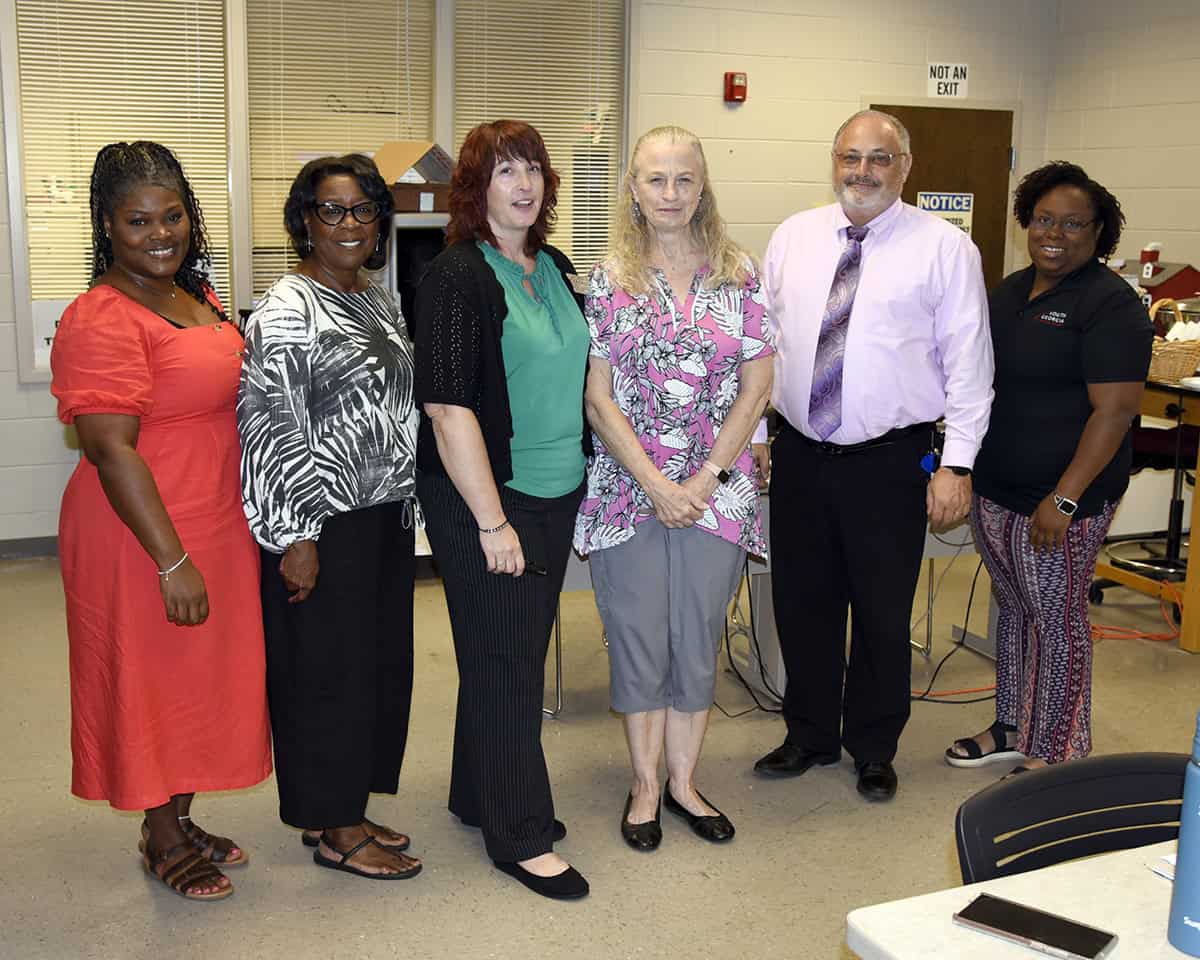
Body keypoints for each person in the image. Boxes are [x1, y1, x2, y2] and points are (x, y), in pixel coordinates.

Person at [50, 141, 272, 901]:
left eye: (172, 214)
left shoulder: (194, 296)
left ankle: (178, 811)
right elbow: (111, 451)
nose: (159, 232)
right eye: (138, 220)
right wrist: (170, 562)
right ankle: (161, 831)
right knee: (152, 676)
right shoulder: (98, 318)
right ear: (107, 226)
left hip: (213, 514)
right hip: (141, 529)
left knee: (202, 677)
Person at [752, 110, 993, 801]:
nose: (862, 171)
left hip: (890, 462)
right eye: (850, 157)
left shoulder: (945, 250)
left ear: (905, 167)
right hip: (800, 454)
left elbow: (970, 369)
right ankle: (810, 735)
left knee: (883, 614)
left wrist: (958, 465)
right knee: (802, 604)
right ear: (833, 161)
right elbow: (764, 349)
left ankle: (874, 745)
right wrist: (761, 437)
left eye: (879, 158)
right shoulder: (794, 236)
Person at [573, 126, 773, 851]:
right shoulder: (609, 277)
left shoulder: (738, 271)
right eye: (655, 180)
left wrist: (706, 478)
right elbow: (599, 396)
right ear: (633, 188)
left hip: (718, 493)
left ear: (702, 186)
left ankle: (685, 783)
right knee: (638, 639)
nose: (670, 194)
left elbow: (758, 385)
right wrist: (657, 482)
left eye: (684, 180)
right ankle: (645, 786)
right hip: (630, 490)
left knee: (696, 639)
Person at [413, 120, 590, 900]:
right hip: (486, 498)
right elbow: (449, 411)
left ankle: (473, 792)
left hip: (555, 488)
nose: (523, 184)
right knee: (507, 664)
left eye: (533, 170)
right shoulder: (454, 276)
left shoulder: (551, 264)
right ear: (475, 188)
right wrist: (492, 523)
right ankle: (517, 832)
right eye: (504, 171)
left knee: (502, 649)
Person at [238, 154, 421, 881]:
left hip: (379, 516)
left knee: (372, 668)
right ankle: (337, 829)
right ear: (304, 222)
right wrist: (296, 536)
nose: (349, 224)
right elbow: (270, 427)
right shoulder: (287, 308)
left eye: (363, 209)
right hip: (320, 522)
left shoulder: (378, 298)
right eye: (331, 210)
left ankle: (343, 802)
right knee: (324, 674)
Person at [945, 162, 1151, 774]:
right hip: (999, 487)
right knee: (1014, 609)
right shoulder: (1009, 292)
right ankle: (1013, 724)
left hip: (1065, 498)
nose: (1053, 233)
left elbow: (1113, 414)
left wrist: (1064, 499)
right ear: (1025, 223)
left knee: (1056, 619)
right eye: (1042, 219)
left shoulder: (1110, 304)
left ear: (1098, 234)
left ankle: (1057, 750)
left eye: (1072, 224)